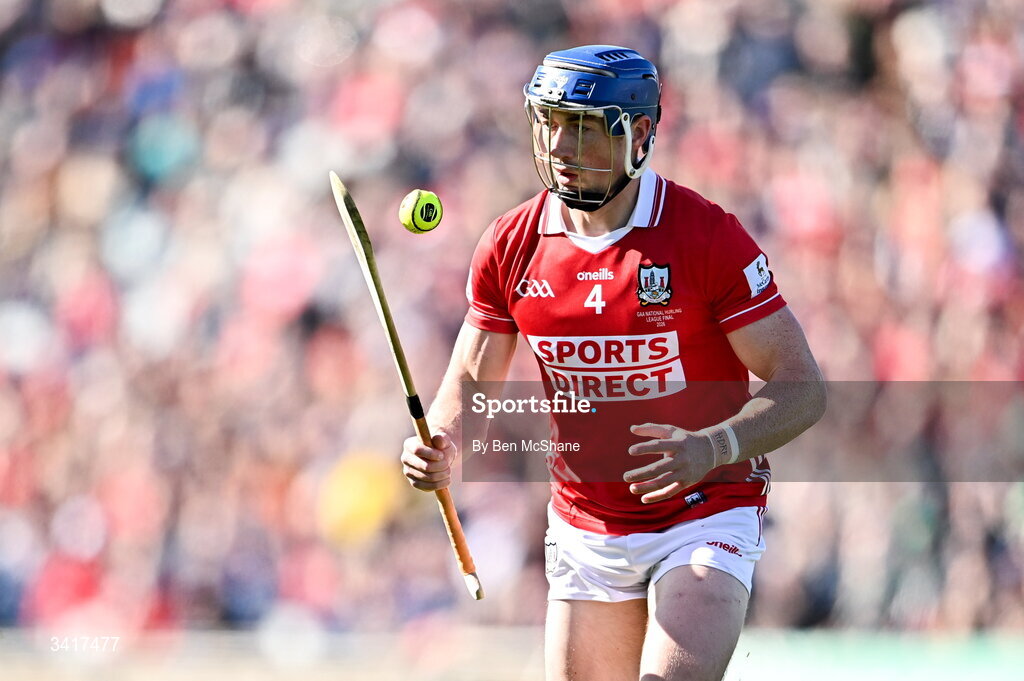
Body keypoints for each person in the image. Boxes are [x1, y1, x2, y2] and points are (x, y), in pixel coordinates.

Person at [401, 45, 826, 681]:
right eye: (549, 122)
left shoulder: (706, 237)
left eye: (585, 126)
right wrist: (442, 442)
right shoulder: (511, 245)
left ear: (641, 133)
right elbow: (470, 379)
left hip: (704, 509)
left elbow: (803, 387)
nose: (560, 144)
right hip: (586, 525)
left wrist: (712, 447)